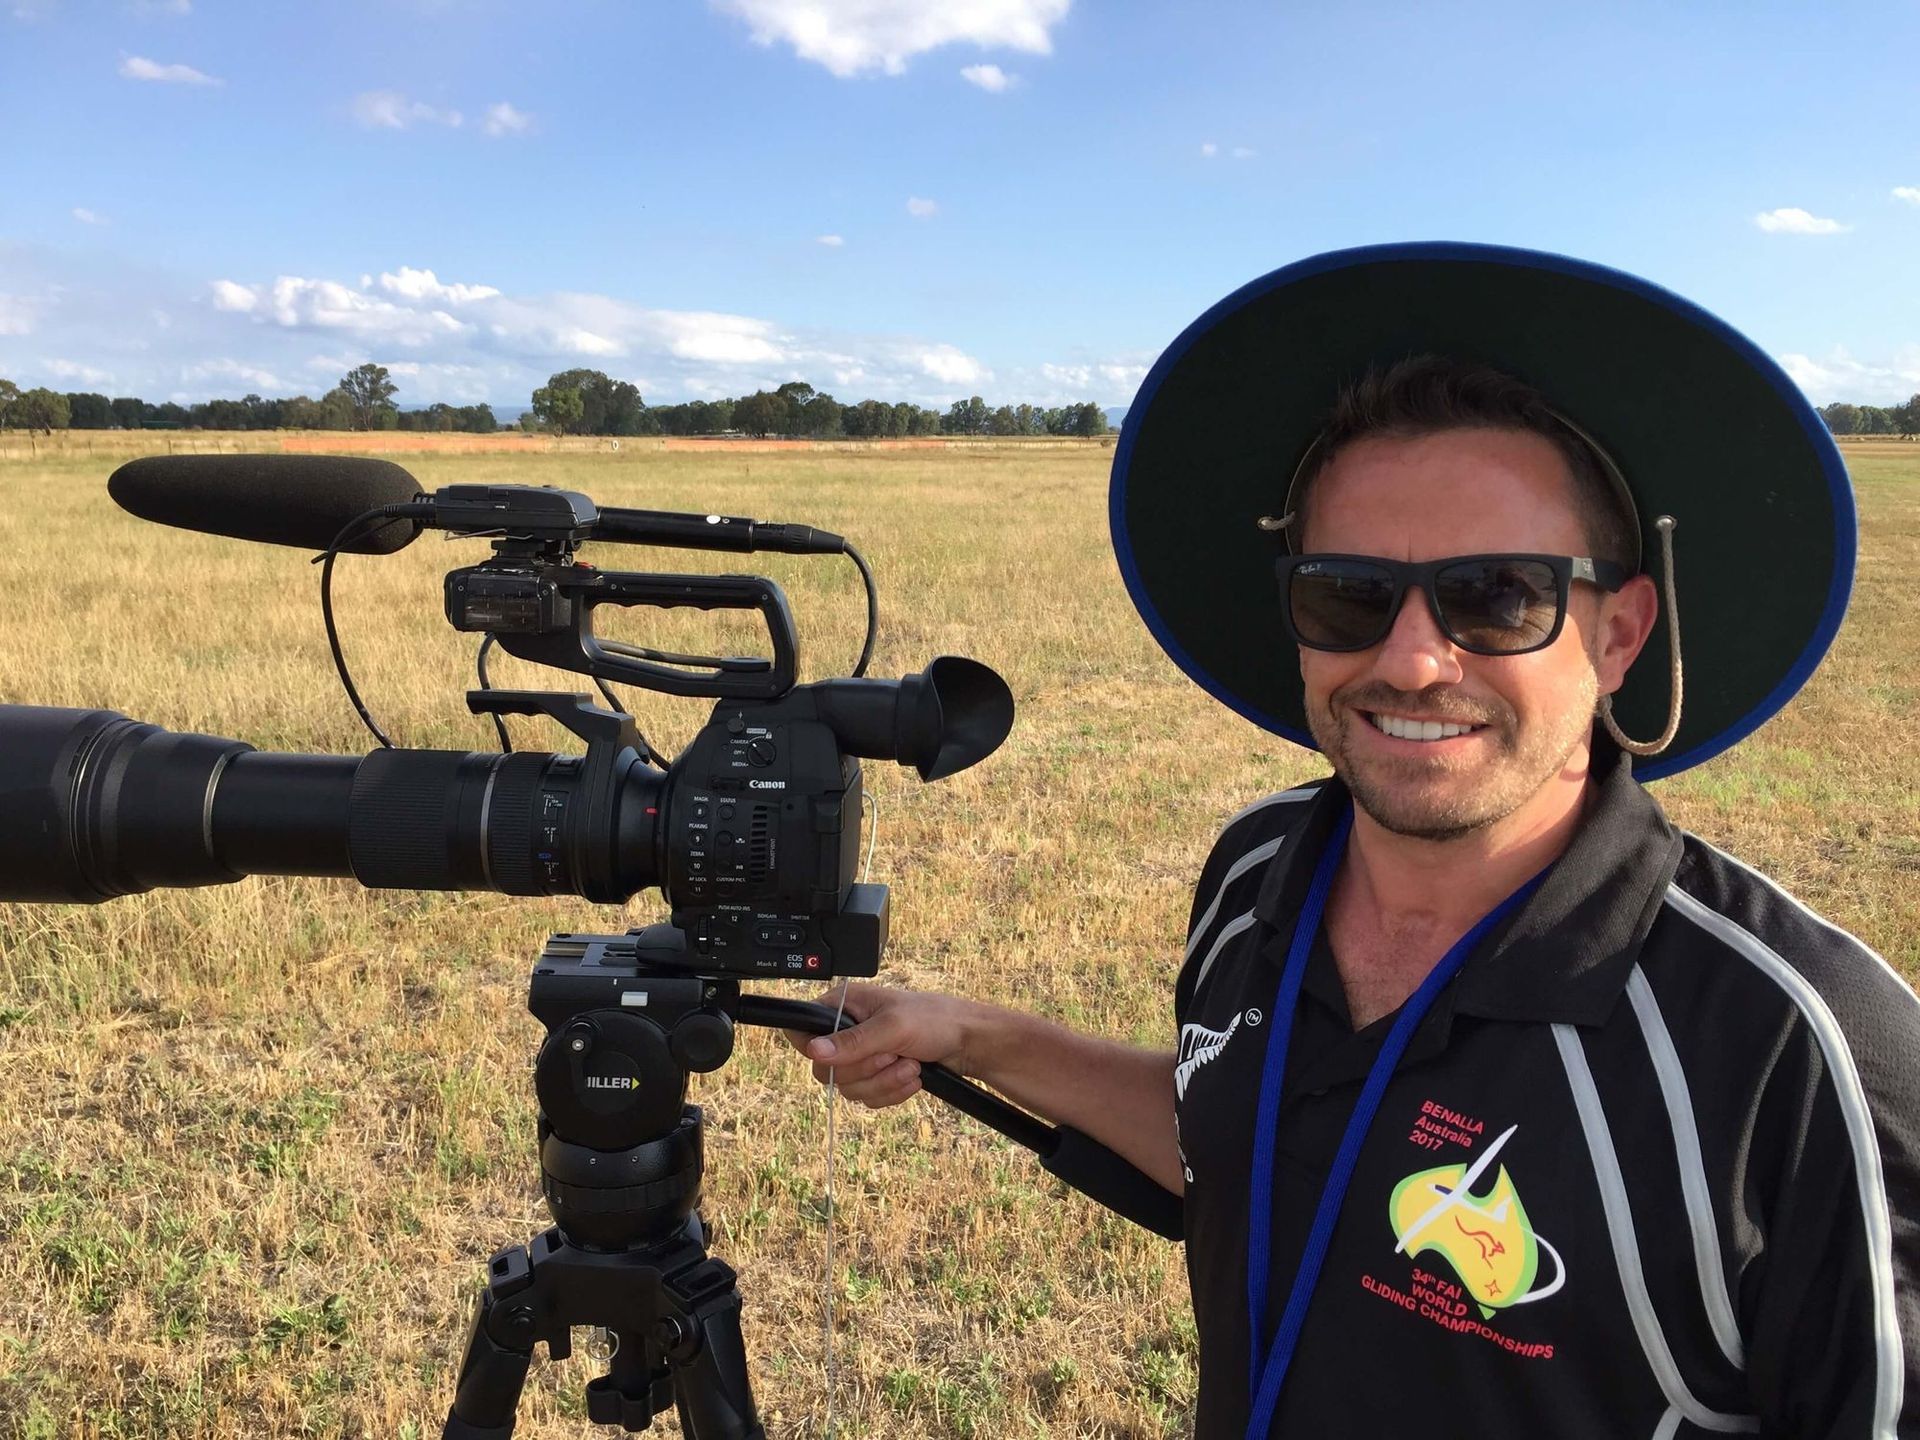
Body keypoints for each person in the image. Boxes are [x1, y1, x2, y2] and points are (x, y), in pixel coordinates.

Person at [787, 245, 1920, 1437]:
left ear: (1623, 633)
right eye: (1350, 594)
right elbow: (1252, 1143)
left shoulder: (1799, 1052)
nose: (1413, 659)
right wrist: (973, 1035)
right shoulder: (1259, 872)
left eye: (1498, 594)